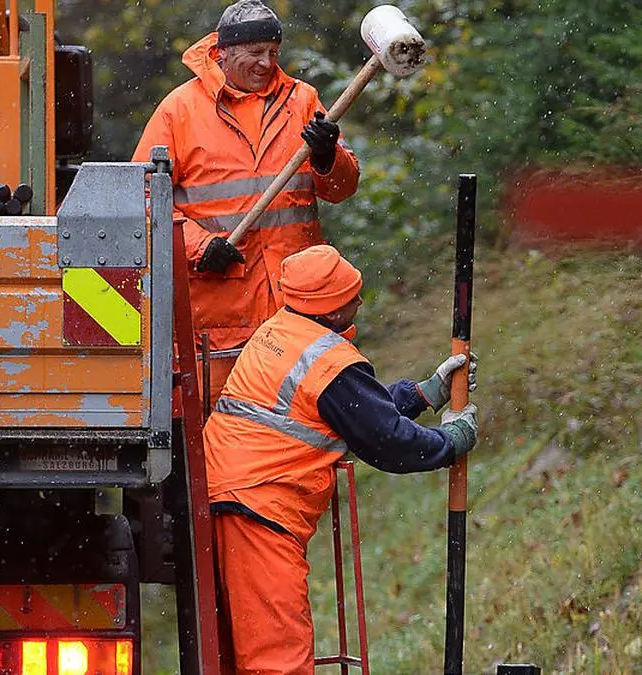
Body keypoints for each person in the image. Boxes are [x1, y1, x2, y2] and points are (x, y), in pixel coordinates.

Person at [203, 245, 479, 674]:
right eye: (353, 297)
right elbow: (387, 441)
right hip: (259, 509)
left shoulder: (281, 331)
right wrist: (451, 440)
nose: (360, 303)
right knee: (277, 661)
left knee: (241, 654)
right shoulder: (330, 361)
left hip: (232, 497)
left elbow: (350, 413)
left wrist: (423, 394)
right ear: (331, 311)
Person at [132, 0, 361, 396]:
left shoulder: (302, 101)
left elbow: (342, 189)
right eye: (255, 53)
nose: (266, 63)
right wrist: (200, 246)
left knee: (300, 421)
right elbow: (142, 198)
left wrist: (328, 158)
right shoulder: (179, 111)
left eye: (273, 53)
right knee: (221, 425)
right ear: (223, 53)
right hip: (221, 311)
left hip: (300, 306)